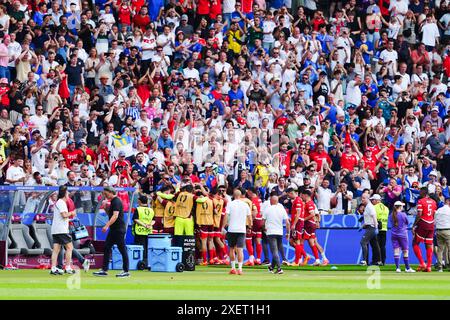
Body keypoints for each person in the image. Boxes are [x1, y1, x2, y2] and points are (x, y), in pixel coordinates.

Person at [93, 186, 130, 277]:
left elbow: (115, 216)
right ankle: (104, 270)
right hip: (114, 229)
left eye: (105, 194)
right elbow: (110, 214)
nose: (104, 196)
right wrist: (105, 208)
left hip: (118, 229)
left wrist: (106, 225)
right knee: (107, 247)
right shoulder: (113, 201)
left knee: (122, 249)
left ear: (110, 192)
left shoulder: (116, 201)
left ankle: (126, 271)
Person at [224, 189, 251, 275]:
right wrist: (250, 226)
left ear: (233, 195)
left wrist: (224, 225)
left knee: (231, 248)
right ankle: (240, 269)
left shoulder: (230, 204)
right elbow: (249, 217)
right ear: (241, 195)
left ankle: (233, 268)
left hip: (232, 229)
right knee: (240, 250)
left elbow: (226, 215)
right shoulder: (245, 205)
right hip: (241, 230)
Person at [263, 194, 290, 274]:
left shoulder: (267, 209)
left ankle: (279, 268)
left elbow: (263, 222)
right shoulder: (282, 209)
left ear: (271, 201)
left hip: (271, 232)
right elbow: (287, 222)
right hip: (280, 232)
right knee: (276, 250)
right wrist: (288, 233)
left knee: (274, 251)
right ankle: (271, 267)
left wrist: (264, 229)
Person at [50, 185, 74, 275]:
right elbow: (64, 215)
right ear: (65, 193)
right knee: (70, 247)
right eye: (67, 192)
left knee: (56, 249)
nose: (68, 194)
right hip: (61, 230)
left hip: (56, 229)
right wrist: (72, 213)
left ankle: (53, 268)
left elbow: (62, 217)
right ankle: (67, 267)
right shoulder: (61, 202)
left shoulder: (58, 202)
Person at [413, 187, 437, 272]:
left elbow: (419, 214)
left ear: (423, 192)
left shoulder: (421, 201)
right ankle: (429, 266)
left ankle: (422, 263)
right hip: (431, 224)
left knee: (415, 243)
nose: (419, 193)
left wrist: (414, 225)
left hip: (423, 223)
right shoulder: (434, 202)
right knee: (429, 245)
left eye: (420, 191)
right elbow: (434, 214)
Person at [390, 201, 415, 273]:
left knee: (396, 250)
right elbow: (407, 222)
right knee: (405, 251)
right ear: (400, 207)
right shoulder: (403, 214)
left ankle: (397, 268)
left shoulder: (391, 215)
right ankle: (407, 268)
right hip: (403, 234)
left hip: (394, 234)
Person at [132, 194, 155, 266]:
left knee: (139, 247)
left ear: (139, 201)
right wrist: (149, 225)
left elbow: (136, 219)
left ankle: (140, 263)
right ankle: (147, 263)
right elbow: (153, 220)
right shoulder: (151, 210)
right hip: (148, 231)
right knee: (147, 247)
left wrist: (144, 225)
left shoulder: (138, 209)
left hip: (139, 231)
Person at [359, 193, 381, 266]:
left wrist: (376, 227)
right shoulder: (368, 206)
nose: (362, 199)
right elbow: (368, 219)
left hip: (371, 227)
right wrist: (362, 226)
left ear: (368, 199)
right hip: (369, 226)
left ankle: (364, 260)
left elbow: (374, 216)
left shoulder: (369, 207)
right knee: (374, 244)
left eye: (364, 198)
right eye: (362, 198)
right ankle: (377, 260)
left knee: (363, 242)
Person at [373, 194, 389, 265]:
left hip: (377, 228)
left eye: (373, 200)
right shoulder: (386, 208)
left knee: (377, 246)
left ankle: (377, 260)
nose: (372, 201)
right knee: (383, 246)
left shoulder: (374, 207)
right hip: (384, 228)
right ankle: (383, 261)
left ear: (376, 200)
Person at [435, 197, 450, 272]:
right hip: (447, 230)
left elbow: (435, 221)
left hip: (438, 230)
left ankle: (440, 267)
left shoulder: (438, 210)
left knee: (440, 250)